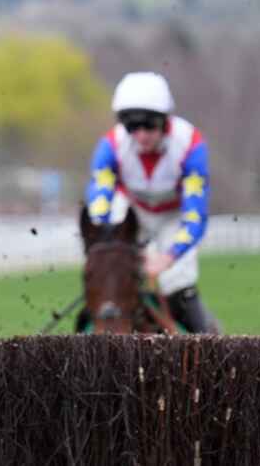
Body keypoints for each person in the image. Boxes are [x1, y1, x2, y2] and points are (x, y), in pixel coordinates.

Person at [83, 71, 220, 333]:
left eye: (150, 125)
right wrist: (104, 239)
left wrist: (167, 258)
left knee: (177, 282)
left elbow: (195, 216)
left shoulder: (191, 145)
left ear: (165, 122)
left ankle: (207, 342)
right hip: (132, 210)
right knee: (109, 270)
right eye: (132, 126)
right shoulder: (110, 146)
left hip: (174, 214)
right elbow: (100, 200)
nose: (142, 134)